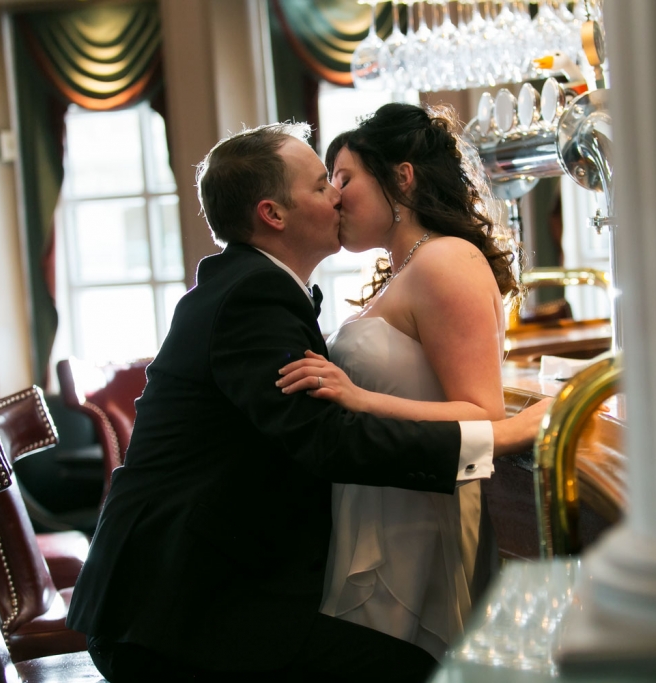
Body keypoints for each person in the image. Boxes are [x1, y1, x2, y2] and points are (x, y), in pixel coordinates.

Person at [65, 121, 546, 683]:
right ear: (273, 214)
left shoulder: (256, 287)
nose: (338, 195)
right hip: (177, 610)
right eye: (323, 184)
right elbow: (330, 439)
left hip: (200, 588)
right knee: (411, 671)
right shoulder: (251, 294)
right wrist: (498, 437)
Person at [274, 102, 516, 661]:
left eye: (344, 177)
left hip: (416, 520)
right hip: (380, 506)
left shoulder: (445, 260)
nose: (334, 195)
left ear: (400, 177)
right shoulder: (407, 270)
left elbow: (483, 413)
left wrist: (359, 398)